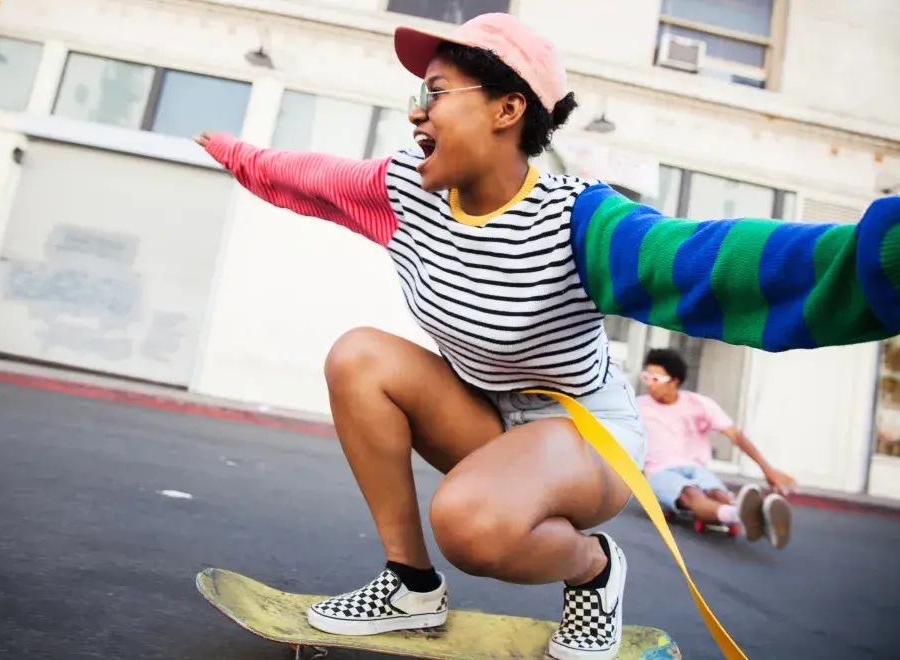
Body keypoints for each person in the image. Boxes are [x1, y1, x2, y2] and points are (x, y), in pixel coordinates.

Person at [194, 13, 898, 658]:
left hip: (585, 437)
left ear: (507, 109)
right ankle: (409, 587)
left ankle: (594, 569)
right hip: (490, 421)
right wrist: (229, 147)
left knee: (469, 524)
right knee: (359, 357)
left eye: (436, 92)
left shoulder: (579, 221)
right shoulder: (405, 191)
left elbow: (712, 264)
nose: (416, 110)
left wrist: (880, 256)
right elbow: (305, 176)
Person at [638, 349, 797, 548]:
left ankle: (758, 520)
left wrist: (768, 470)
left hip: (695, 468)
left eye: (655, 378)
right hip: (659, 472)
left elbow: (735, 436)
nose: (649, 384)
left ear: (674, 381)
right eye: (646, 377)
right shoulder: (638, 407)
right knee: (691, 494)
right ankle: (740, 515)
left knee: (717, 493)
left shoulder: (698, 403)